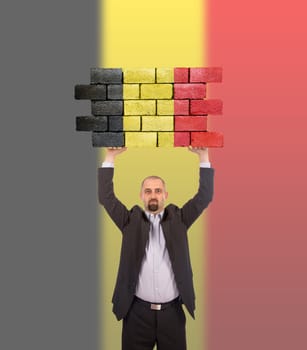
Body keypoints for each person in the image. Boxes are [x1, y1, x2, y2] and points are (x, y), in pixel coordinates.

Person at [98, 147, 214, 350]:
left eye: (158, 191)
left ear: (165, 195)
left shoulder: (180, 219)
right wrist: (110, 157)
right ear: (141, 196)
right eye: (148, 191)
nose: (153, 195)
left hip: (173, 315)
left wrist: (203, 157)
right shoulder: (129, 221)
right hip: (136, 314)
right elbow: (106, 198)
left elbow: (204, 197)